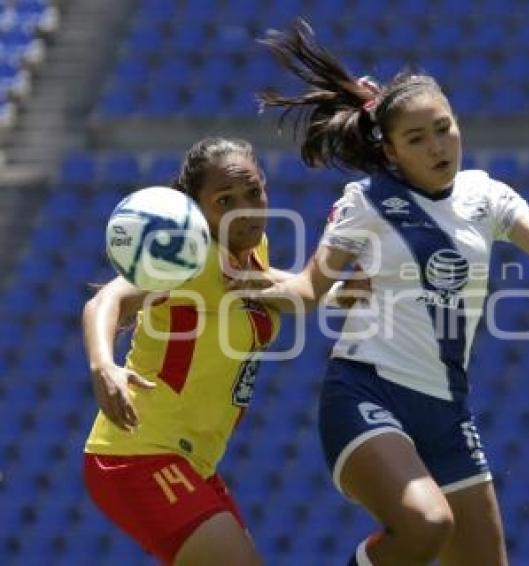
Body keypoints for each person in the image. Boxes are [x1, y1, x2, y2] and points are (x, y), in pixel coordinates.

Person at [251, 21, 529, 566]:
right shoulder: (364, 202)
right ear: (389, 151)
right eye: (417, 138)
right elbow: (306, 293)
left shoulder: (488, 195)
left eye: (444, 127)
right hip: (366, 394)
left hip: (446, 410)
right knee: (426, 524)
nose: (438, 146)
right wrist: (230, 274)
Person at [81, 137, 361, 565]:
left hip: (193, 462)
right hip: (137, 454)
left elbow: (273, 289)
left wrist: (340, 293)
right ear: (197, 209)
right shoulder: (185, 256)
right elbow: (105, 301)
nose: (245, 209)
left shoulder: (249, 251)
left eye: (253, 192)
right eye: (225, 200)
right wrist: (104, 367)